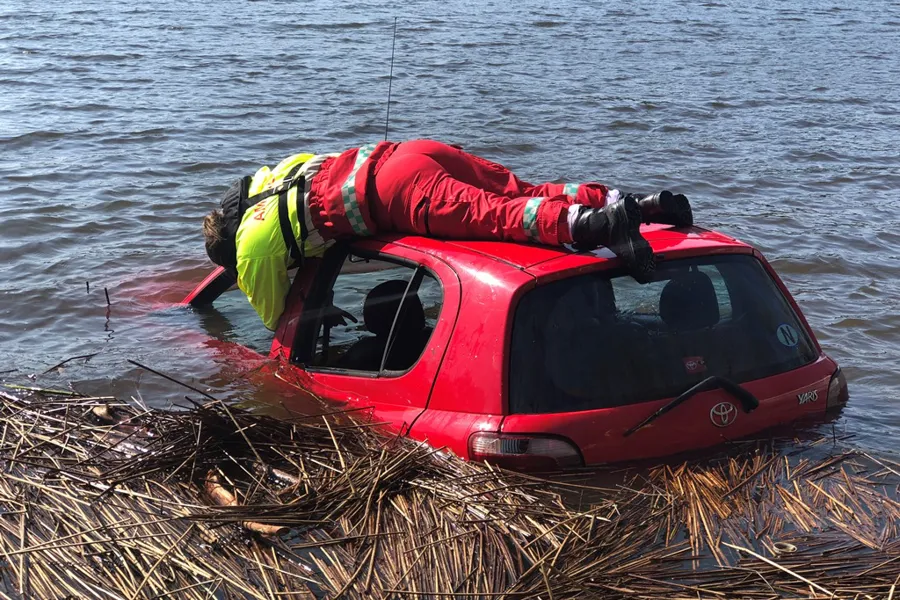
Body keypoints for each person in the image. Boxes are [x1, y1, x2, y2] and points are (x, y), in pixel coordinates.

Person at [202, 139, 693, 330]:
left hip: (392, 192)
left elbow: (282, 324)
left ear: (229, 252)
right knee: (520, 190)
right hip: (409, 152)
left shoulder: (251, 250)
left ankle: (598, 227)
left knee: (496, 216)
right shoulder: (274, 178)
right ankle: (628, 204)